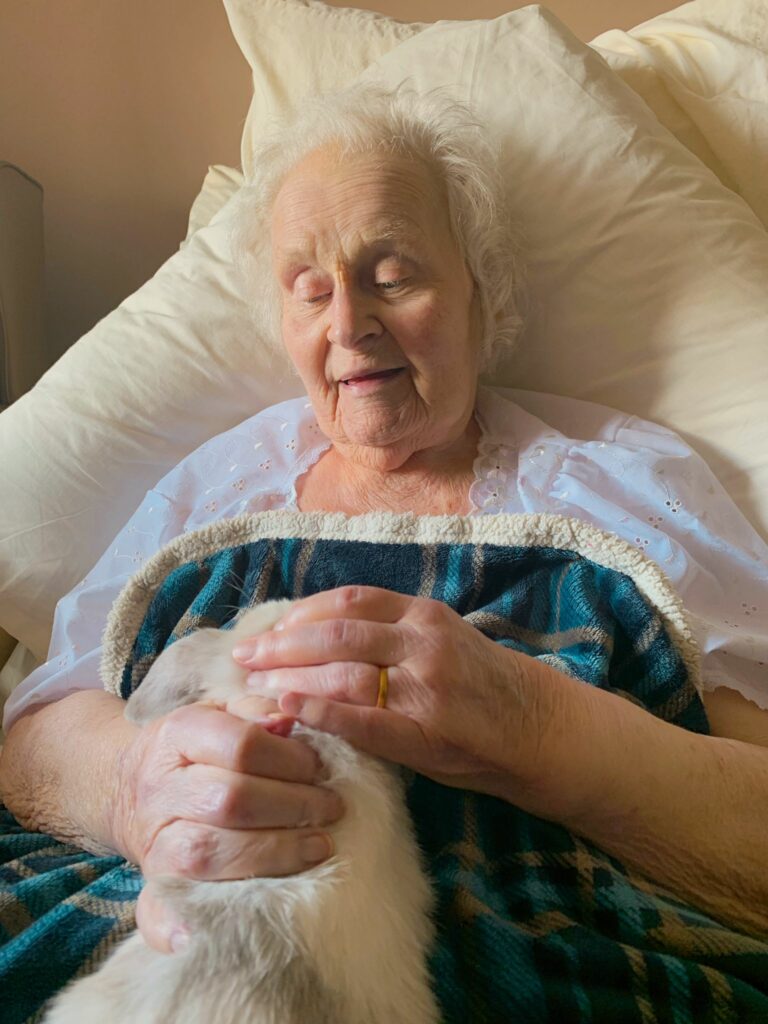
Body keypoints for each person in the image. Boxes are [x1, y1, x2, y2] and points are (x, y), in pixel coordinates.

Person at [2, 85, 768, 992]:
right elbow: (34, 736)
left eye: (394, 275)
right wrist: (135, 785)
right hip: (171, 947)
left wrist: (535, 723)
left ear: (481, 288)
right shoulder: (215, 490)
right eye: (309, 290)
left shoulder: (624, 482)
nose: (348, 324)